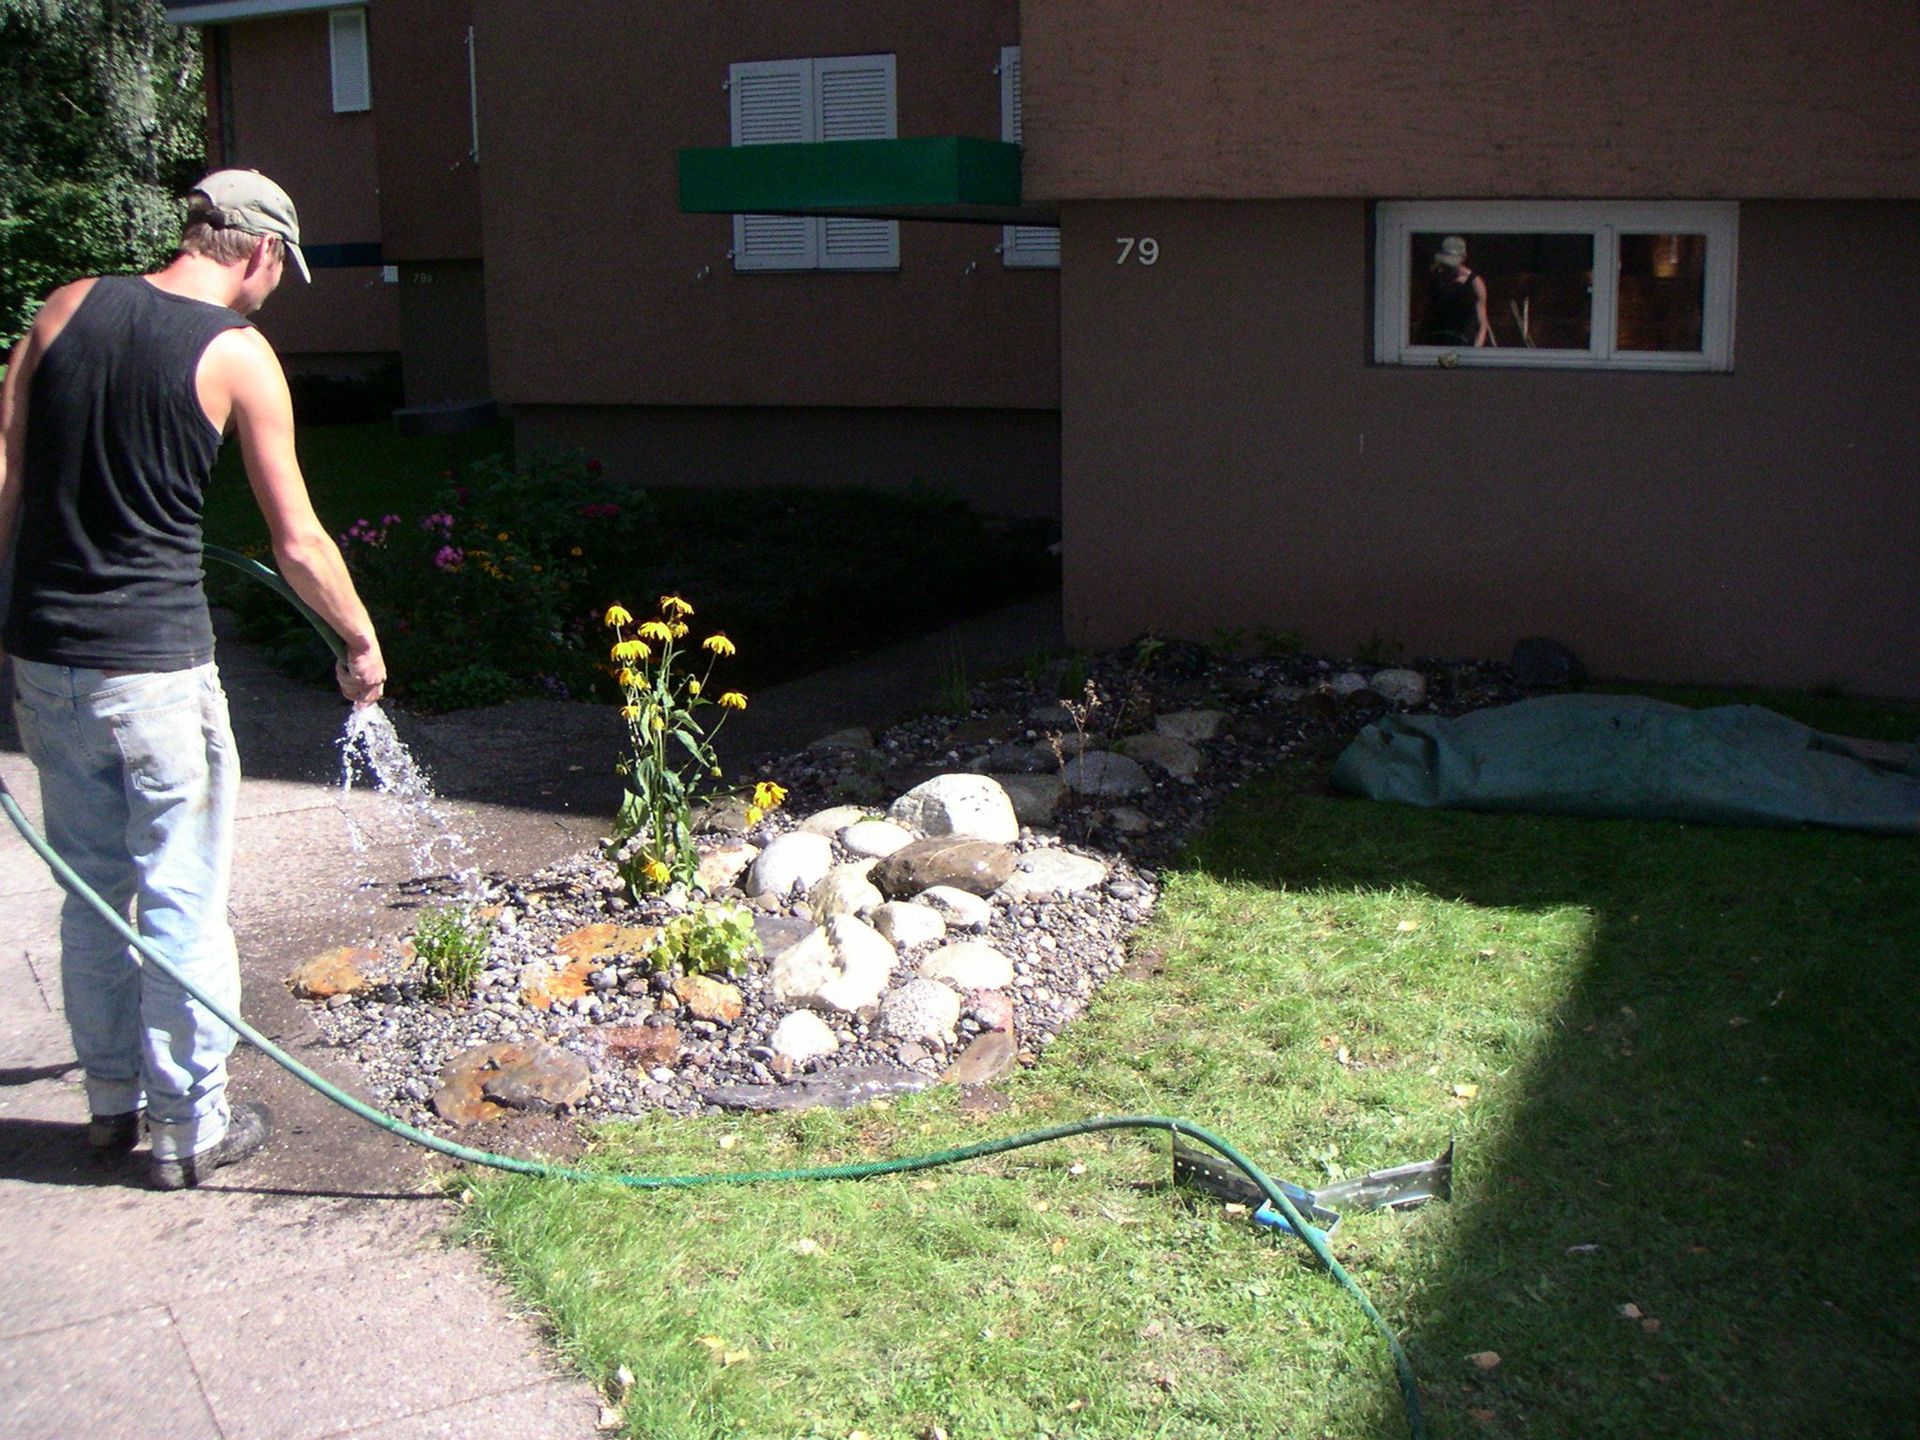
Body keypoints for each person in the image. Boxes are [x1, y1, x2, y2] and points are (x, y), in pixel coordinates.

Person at [0, 170, 386, 1189]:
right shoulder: (239, 357)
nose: (273, 293)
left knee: (89, 895)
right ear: (256, 252)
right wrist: (357, 638)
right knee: (180, 894)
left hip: (43, 662)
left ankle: (108, 1105)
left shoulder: (66, 306)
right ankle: (191, 1127)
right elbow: (297, 541)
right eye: (279, 274)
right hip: (157, 672)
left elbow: (6, 469)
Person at [1424, 235, 1491, 347]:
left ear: (1463, 258)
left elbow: (1482, 323)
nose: (1449, 268)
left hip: (1464, 341)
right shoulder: (1436, 278)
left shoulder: (1475, 283)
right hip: (1436, 339)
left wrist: (1477, 349)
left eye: (1452, 263)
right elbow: (1426, 313)